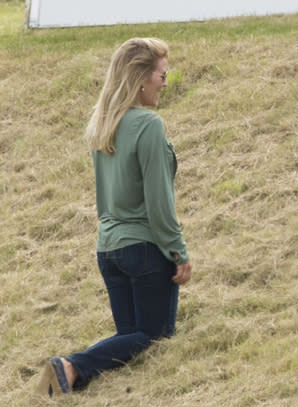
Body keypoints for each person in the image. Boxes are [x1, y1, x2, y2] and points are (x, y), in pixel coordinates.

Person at [37, 38, 192, 397]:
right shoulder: (148, 125)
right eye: (162, 75)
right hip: (144, 249)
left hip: (109, 250)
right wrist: (179, 251)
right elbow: (159, 204)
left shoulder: (102, 125)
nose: (165, 83)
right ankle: (71, 365)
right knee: (156, 336)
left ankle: (69, 379)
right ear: (140, 78)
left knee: (130, 341)